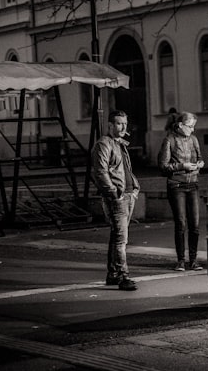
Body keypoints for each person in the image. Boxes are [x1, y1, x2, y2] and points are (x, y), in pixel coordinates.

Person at [91, 110, 141, 291]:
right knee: (121, 238)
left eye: (125, 124)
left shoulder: (120, 144)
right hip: (118, 197)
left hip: (127, 194)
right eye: (119, 124)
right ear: (110, 125)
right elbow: (100, 172)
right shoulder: (103, 144)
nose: (123, 127)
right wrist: (113, 193)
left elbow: (124, 170)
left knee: (117, 236)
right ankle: (123, 276)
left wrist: (134, 188)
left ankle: (113, 273)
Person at [158, 111, 205, 272]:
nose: (192, 130)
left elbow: (199, 158)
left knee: (195, 225)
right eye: (190, 126)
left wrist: (199, 164)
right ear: (180, 125)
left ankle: (193, 260)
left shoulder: (193, 139)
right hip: (176, 185)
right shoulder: (169, 140)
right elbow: (163, 166)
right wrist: (182, 166)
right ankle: (180, 261)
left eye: (194, 127)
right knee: (181, 223)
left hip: (193, 184)